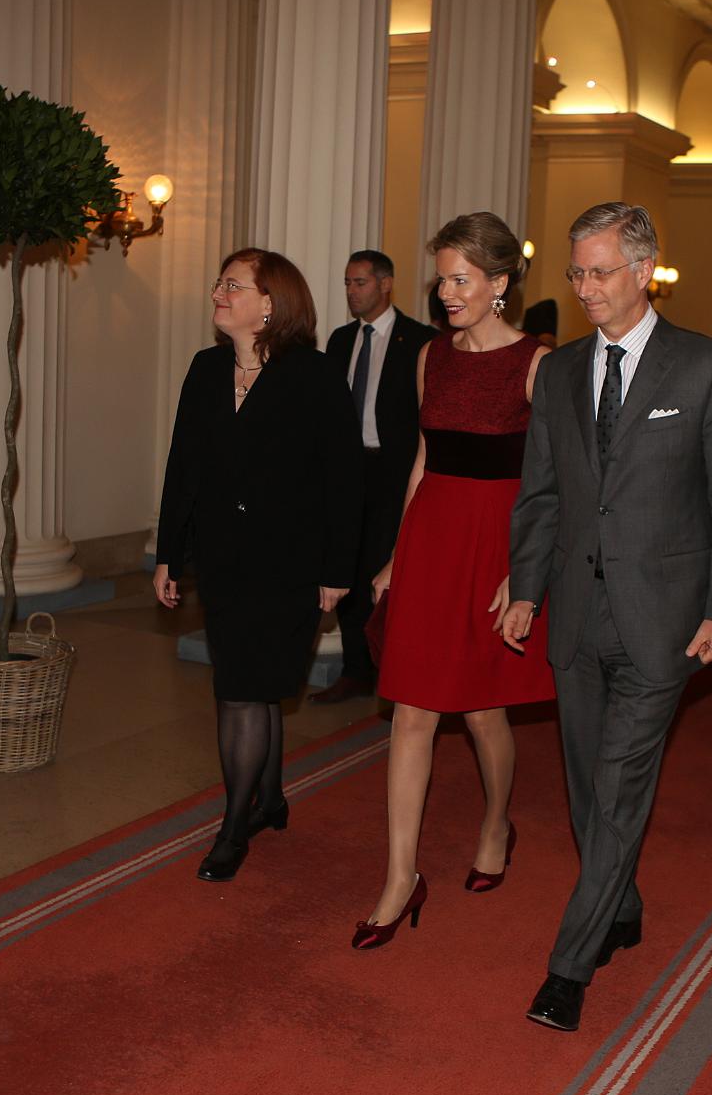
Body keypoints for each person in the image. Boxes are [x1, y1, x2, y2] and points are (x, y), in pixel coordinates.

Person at [502, 202, 712, 1032]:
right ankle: (622, 902)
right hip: (575, 614)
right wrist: (526, 588)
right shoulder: (563, 368)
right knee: (584, 790)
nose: (585, 288)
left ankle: (568, 968)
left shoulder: (706, 369)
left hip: (664, 621)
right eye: (576, 272)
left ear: (646, 271)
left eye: (601, 271)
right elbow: (541, 492)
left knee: (616, 791)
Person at [353, 213, 554, 950]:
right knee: (410, 713)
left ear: (500, 284)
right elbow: (422, 463)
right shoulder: (430, 356)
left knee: (482, 713)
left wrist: (523, 568)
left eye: (461, 279)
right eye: (441, 278)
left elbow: (550, 478)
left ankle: (497, 820)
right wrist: (397, 557)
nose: (445, 292)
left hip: (496, 549)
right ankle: (399, 877)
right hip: (435, 538)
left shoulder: (537, 362)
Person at [153, 249, 362, 882]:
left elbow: (343, 480)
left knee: (245, 690)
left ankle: (233, 827)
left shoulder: (315, 375)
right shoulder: (205, 368)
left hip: (289, 562)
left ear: (269, 303)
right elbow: (183, 466)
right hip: (223, 559)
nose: (218, 292)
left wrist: (338, 568)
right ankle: (268, 799)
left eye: (232, 284)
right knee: (252, 682)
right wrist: (169, 552)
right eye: (218, 282)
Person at [315, 250, 437, 704]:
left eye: (360, 282)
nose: (352, 291)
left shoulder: (419, 339)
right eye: (347, 282)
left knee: (388, 573)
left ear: (385, 284)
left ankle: (393, 670)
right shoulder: (340, 339)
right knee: (344, 566)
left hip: (396, 472)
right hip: (348, 471)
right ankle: (354, 670)